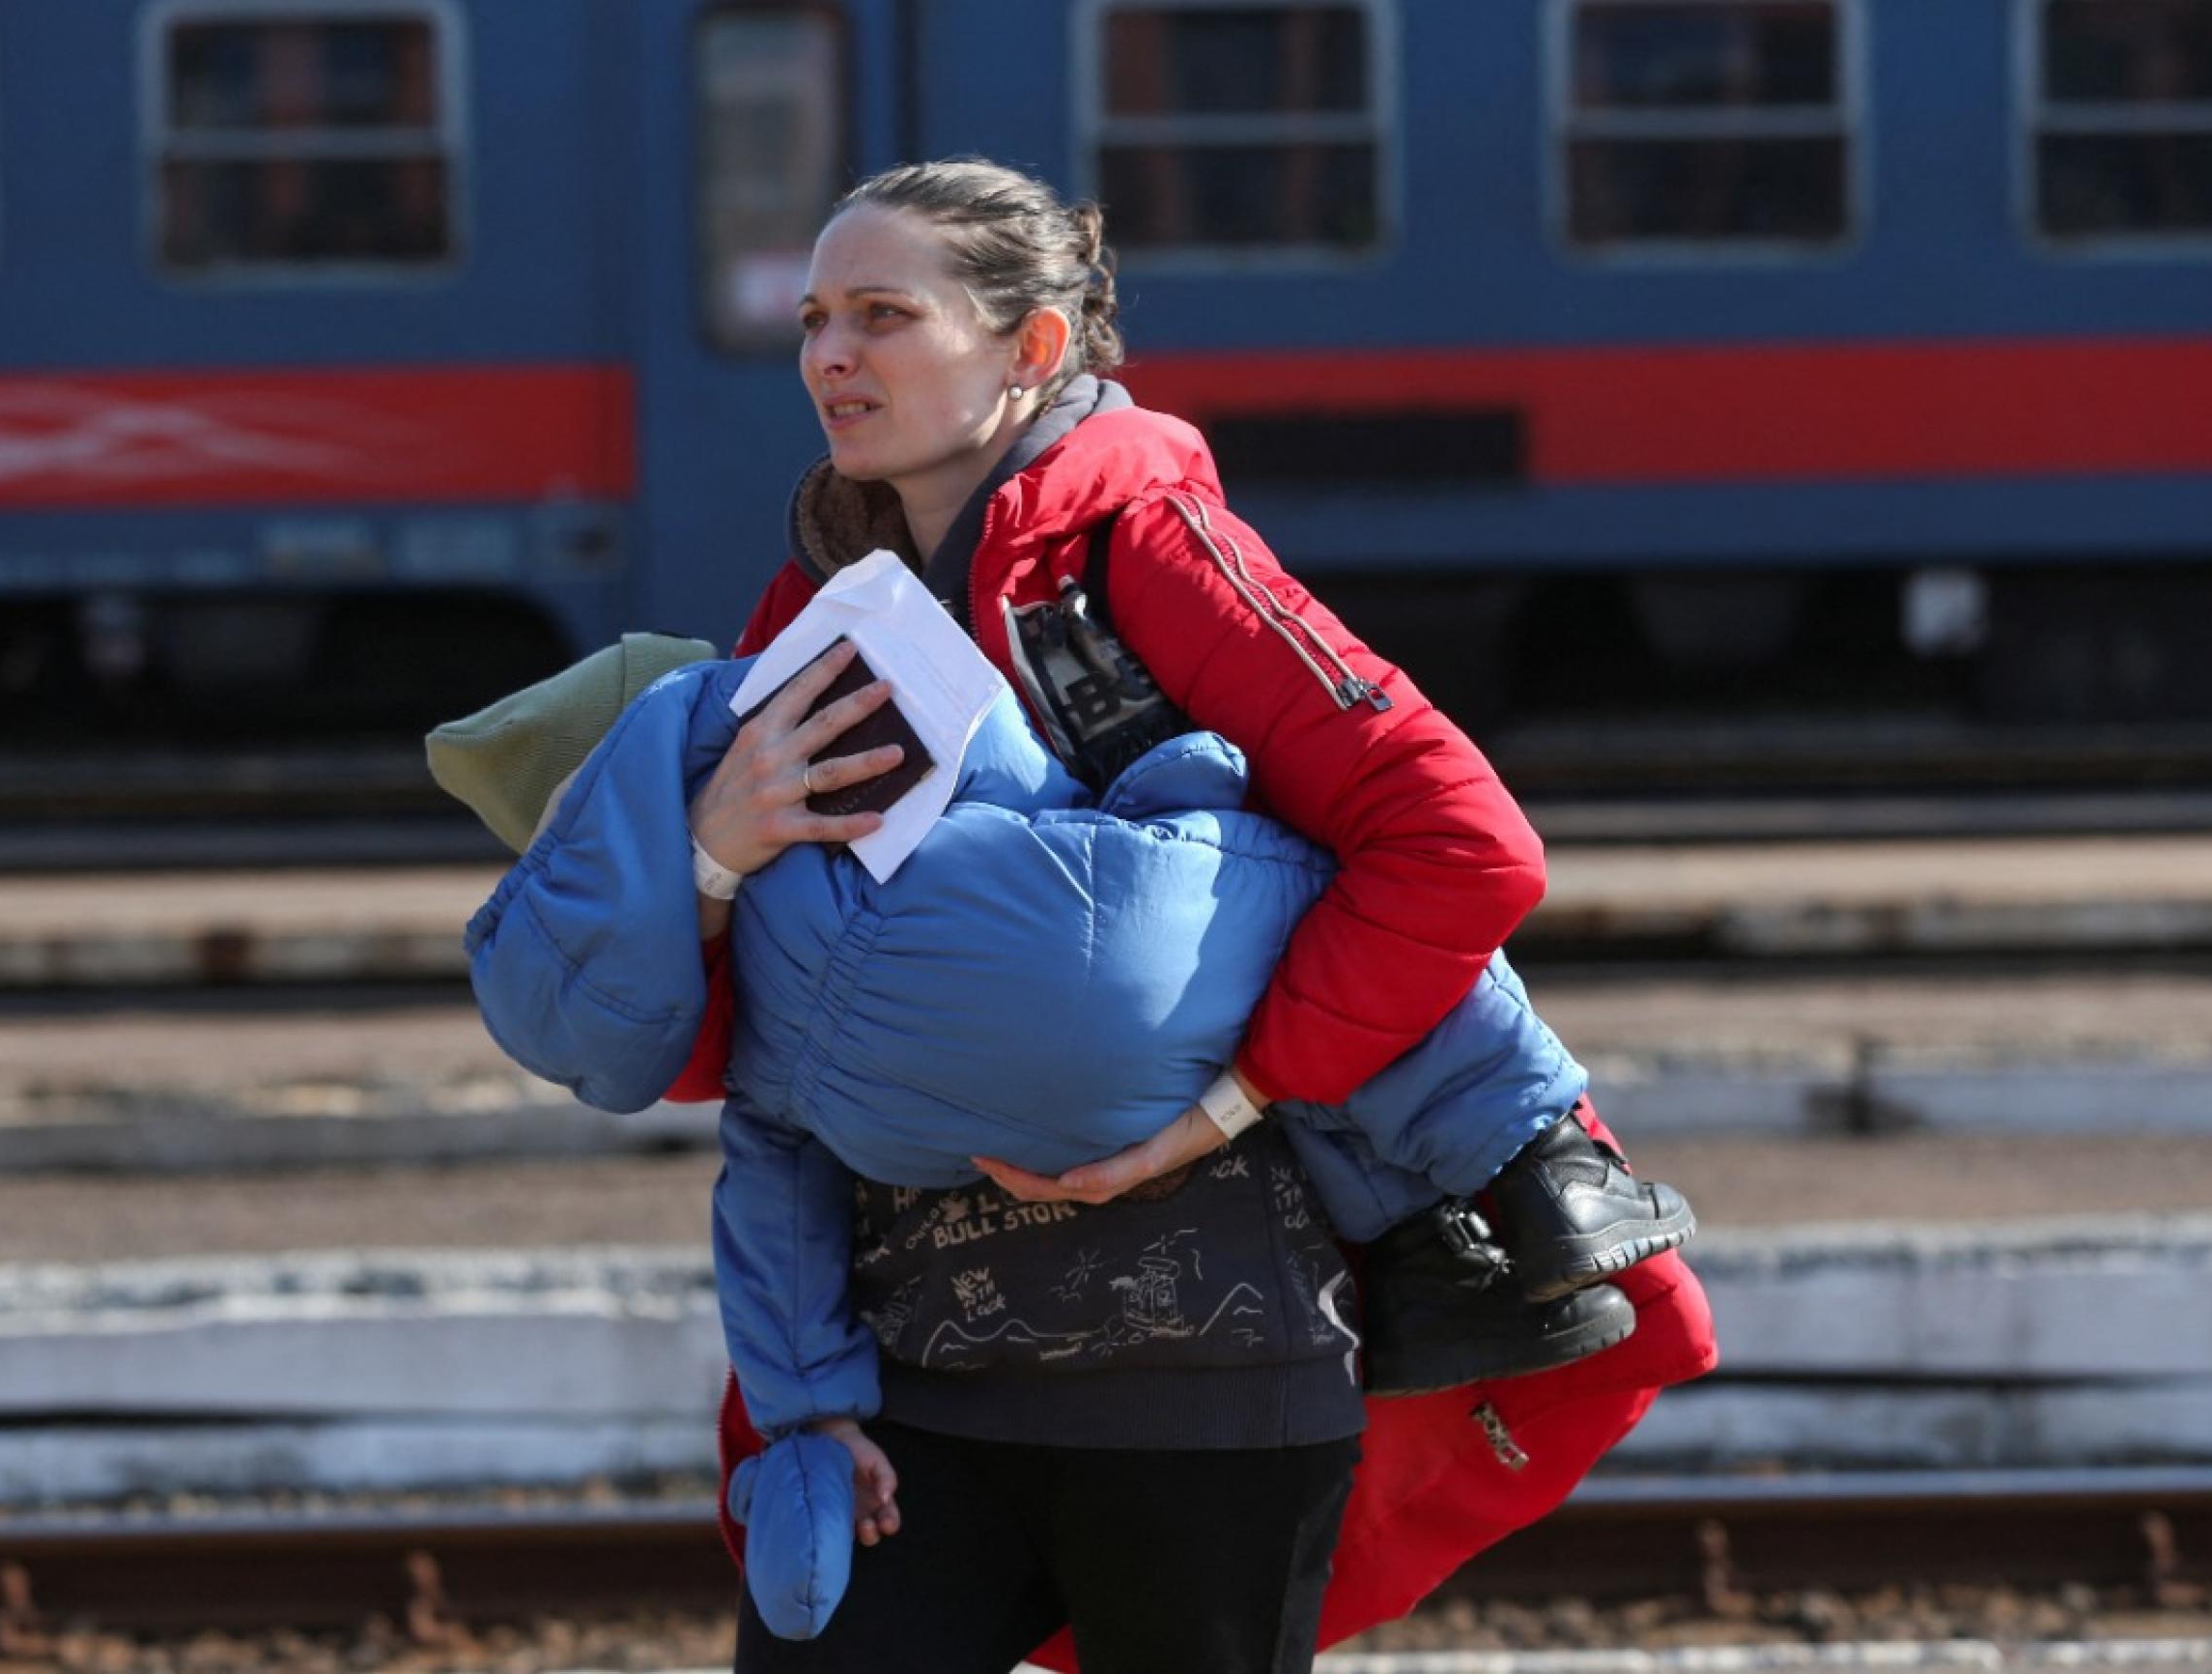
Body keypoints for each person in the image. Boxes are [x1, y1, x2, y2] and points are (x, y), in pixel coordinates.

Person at [663, 158, 1711, 1672]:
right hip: (900, 1382)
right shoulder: (810, 605)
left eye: (885, 314)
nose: (832, 354)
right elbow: (726, 1045)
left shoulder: (1149, 551)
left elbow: (1460, 842)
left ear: (1032, 349)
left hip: (1211, 1376)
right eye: (818, 316)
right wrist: (708, 856)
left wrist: (1228, 1099)